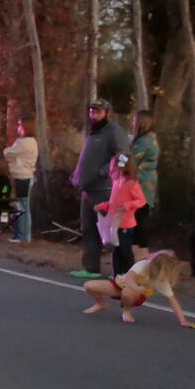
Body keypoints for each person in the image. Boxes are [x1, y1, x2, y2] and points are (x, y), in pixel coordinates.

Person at [71, 99, 131, 278]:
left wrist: (106, 172)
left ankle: (120, 271)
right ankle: (91, 268)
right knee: (88, 228)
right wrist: (76, 176)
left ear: (107, 113)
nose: (93, 115)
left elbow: (125, 157)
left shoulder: (114, 132)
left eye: (97, 112)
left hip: (104, 190)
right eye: (91, 111)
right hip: (87, 189)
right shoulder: (93, 133)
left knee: (110, 232)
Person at [81, 250, 195, 327]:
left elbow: (173, 301)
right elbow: (129, 279)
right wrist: (136, 287)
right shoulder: (143, 265)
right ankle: (102, 304)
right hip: (120, 284)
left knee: (127, 292)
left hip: (134, 294)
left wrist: (183, 321)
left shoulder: (161, 281)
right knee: (89, 285)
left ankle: (126, 311)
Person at [95, 155, 147, 275]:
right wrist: (103, 206)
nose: (111, 169)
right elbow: (113, 202)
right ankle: (117, 275)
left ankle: (129, 275)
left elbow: (141, 201)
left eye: (114, 167)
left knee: (125, 251)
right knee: (115, 251)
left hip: (125, 225)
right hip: (114, 224)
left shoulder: (131, 184)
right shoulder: (117, 183)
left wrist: (128, 205)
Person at [2, 121, 38, 242]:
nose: (18, 127)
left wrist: (9, 151)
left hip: (24, 177)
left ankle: (23, 236)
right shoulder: (22, 142)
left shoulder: (27, 142)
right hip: (19, 176)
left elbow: (8, 152)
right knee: (19, 205)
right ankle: (18, 234)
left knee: (23, 206)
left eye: (20, 125)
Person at [129, 112, 161, 238]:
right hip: (147, 183)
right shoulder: (152, 138)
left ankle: (138, 248)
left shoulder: (143, 142)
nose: (132, 123)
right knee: (142, 215)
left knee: (138, 218)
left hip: (140, 184)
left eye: (134, 121)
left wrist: (118, 158)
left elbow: (129, 161)